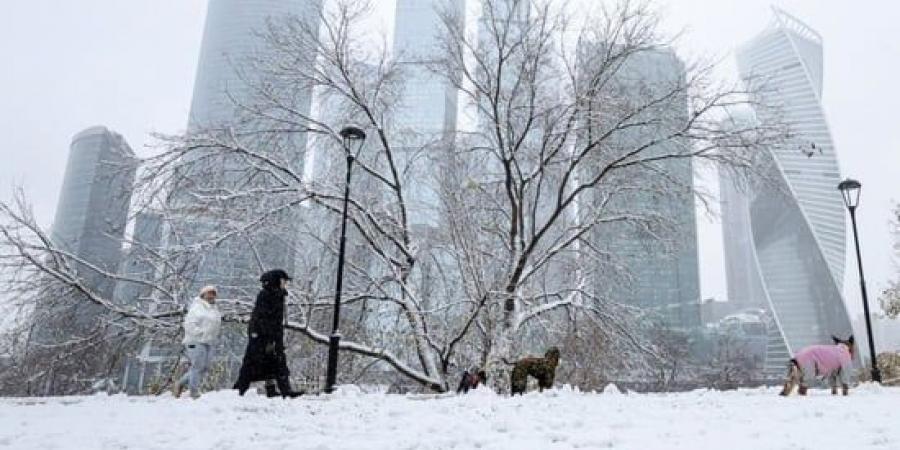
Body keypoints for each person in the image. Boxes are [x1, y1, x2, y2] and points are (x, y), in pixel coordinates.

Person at [233, 269, 303, 398]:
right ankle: (239, 389)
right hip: (263, 337)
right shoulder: (267, 295)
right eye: (283, 281)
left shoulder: (277, 294)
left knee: (275, 362)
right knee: (255, 363)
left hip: (271, 335)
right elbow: (262, 318)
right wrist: (269, 337)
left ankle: (280, 389)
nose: (285, 283)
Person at [174, 285, 222, 399]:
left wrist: (212, 337)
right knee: (197, 366)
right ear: (203, 294)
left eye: (213, 293)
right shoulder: (197, 307)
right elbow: (189, 325)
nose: (211, 296)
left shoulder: (214, 309)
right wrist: (201, 333)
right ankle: (193, 392)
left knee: (204, 367)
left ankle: (180, 384)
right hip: (194, 341)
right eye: (209, 293)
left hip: (209, 342)